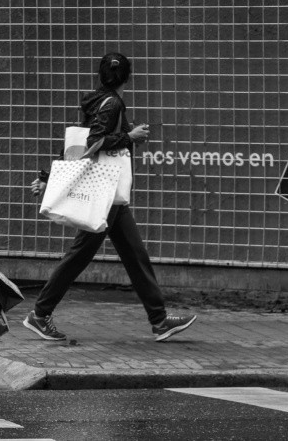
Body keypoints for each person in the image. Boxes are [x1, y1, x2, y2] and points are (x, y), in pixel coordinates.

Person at [26, 52, 196, 343]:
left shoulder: (95, 101)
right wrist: (131, 136)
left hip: (112, 195)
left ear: (100, 75)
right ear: (128, 77)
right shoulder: (113, 103)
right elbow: (95, 141)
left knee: (135, 255)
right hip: (104, 192)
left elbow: (77, 142)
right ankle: (40, 314)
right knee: (80, 256)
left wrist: (48, 177)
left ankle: (159, 320)